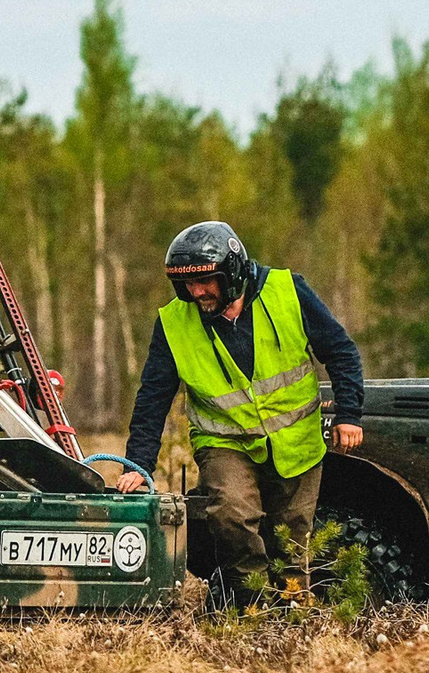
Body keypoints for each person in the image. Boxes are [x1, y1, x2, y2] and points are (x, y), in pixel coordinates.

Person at [115, 222, 365, 588]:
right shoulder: (172, 323)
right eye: (187, 284)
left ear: (231, 273)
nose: (195, 292)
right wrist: (139, 464)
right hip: (224, 443)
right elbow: (153, 396)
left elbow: (341, 352)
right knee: (232, 513)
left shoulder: (288, 292)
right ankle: (250, 602)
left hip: (296, 442)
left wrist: (350, 415)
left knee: (292, 535)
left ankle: (290, 610)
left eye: (205, 281)